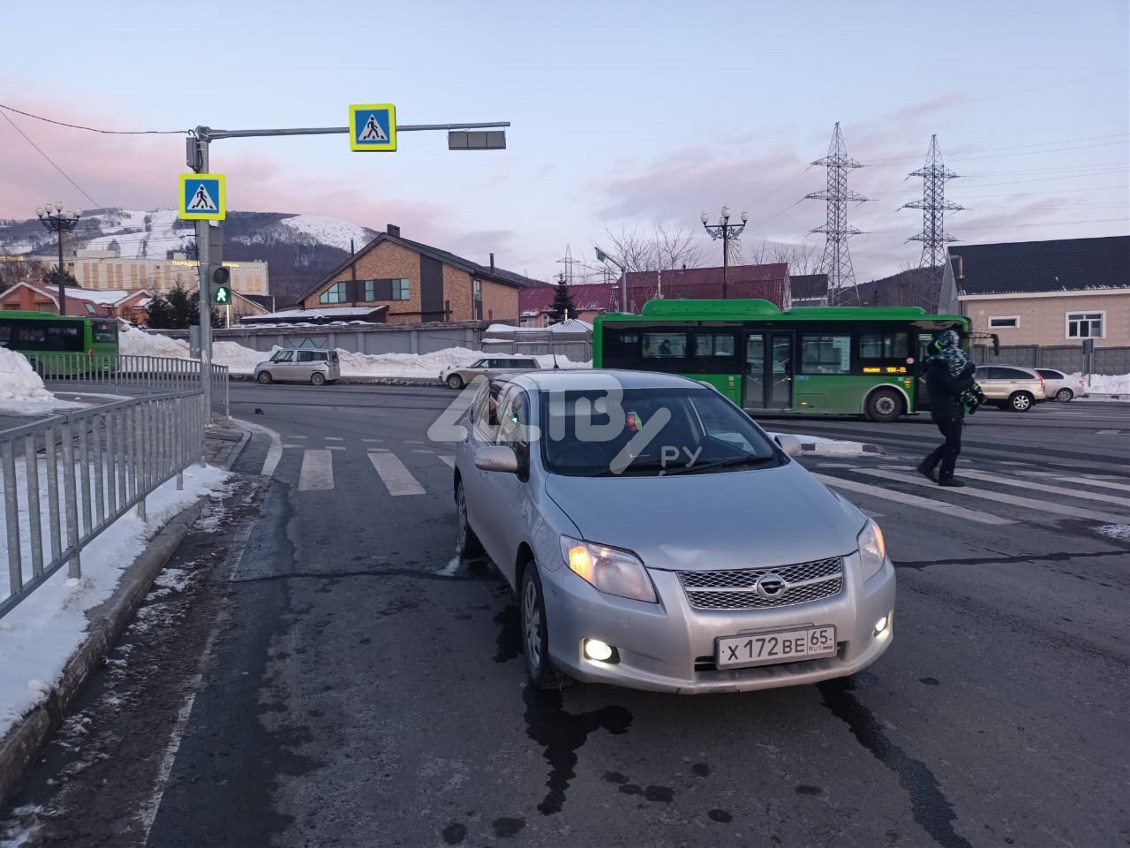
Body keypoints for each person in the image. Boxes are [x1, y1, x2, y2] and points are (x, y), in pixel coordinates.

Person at [917, 329, 976, 487]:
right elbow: (954, 388)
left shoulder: (937, 365)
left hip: (948, 409)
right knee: (953, 444)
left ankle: (929, 466)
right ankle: (944, 475)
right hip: (947, 410)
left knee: (952, 443)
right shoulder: (939, 367)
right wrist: (969, 380)